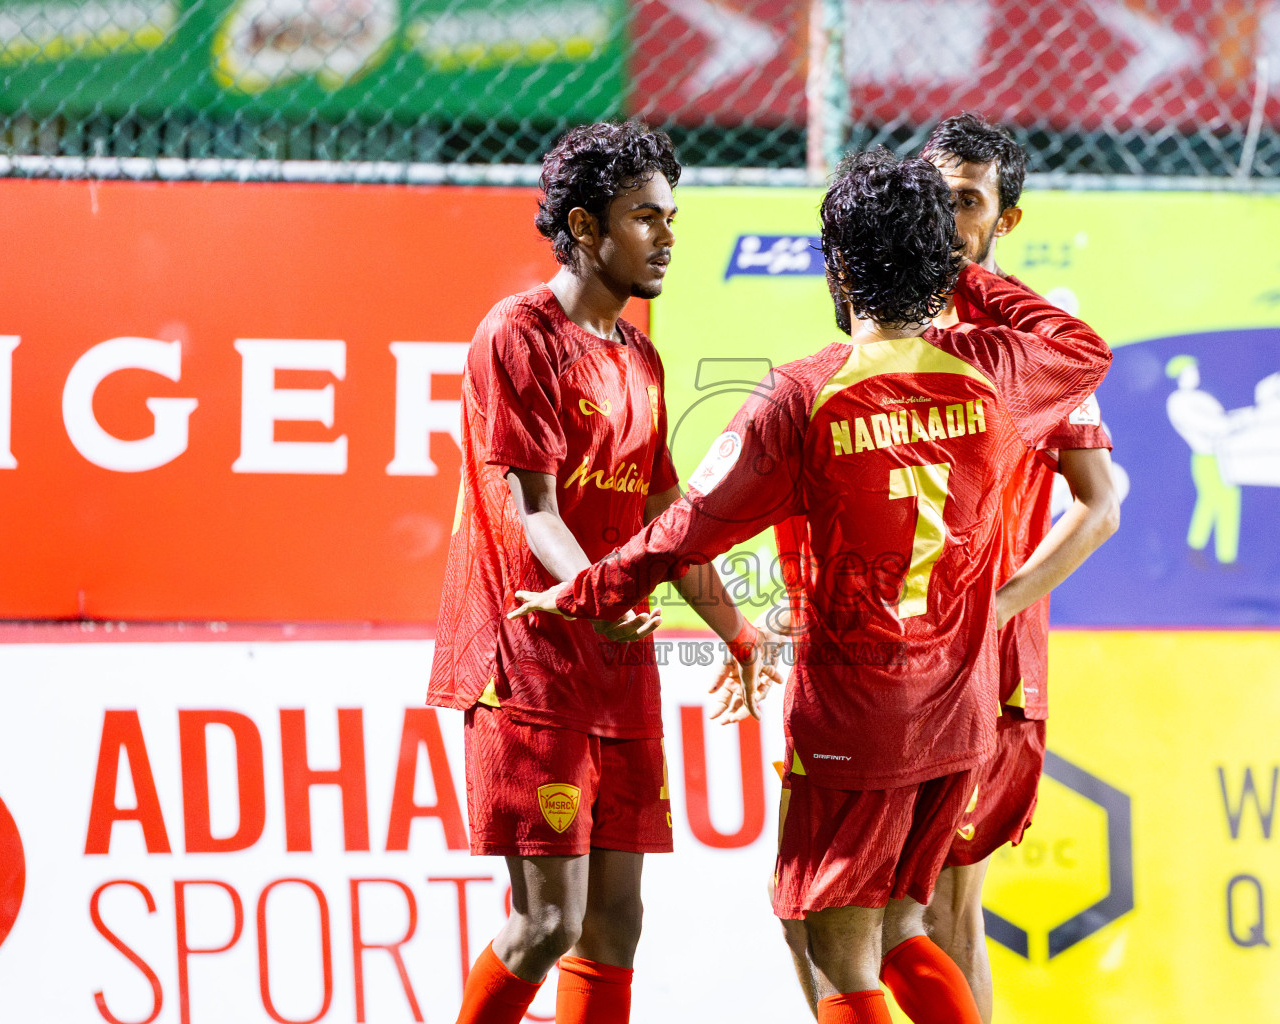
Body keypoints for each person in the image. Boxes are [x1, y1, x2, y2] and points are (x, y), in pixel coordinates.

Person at [512, 148, 1111, 1024]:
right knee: (907, 921)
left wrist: (587, 591)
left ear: (838, 268)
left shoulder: (805, 394)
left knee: (830, 942)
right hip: (959, 707)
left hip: (856, 716)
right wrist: (962, 274)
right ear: (940, 259)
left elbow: (686, 526)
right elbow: (1084, 348)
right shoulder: (1000, 369)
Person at [767, 113, 1122, 1023]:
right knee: (830, 916)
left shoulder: (1023, 351)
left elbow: (1099, 504)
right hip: (873, 668)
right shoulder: (879, 331)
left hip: (980, 669)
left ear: (1003, 222)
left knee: (928, 912)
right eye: (931, 197)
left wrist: (996, 607)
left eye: (965, 202)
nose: (943, 217)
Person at [426, 121, 779, 1024]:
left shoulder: (643, 357)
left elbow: (666, 521)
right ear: (585, 228)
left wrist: (738, 632)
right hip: (531, 662)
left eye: (672, 217)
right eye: (644, 218)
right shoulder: (518, 335)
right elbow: (534, 514)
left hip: (617, 670)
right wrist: (599, 596)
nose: (666, 236)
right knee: (548, 921)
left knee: (617, 924)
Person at [1165, 355, 1240, 564]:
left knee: (1220, 502)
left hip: (1222, 455)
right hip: (1206, 459)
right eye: (1190, 372)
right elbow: (1213, 426)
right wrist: (1233, 425)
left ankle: (1216, 555)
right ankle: (1207, 552)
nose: (1195, 375)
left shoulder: (1201, 397)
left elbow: (1222, 417)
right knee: (1217, 501)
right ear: (1179, 377)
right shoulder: (1178, 402)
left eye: (1195, 371)